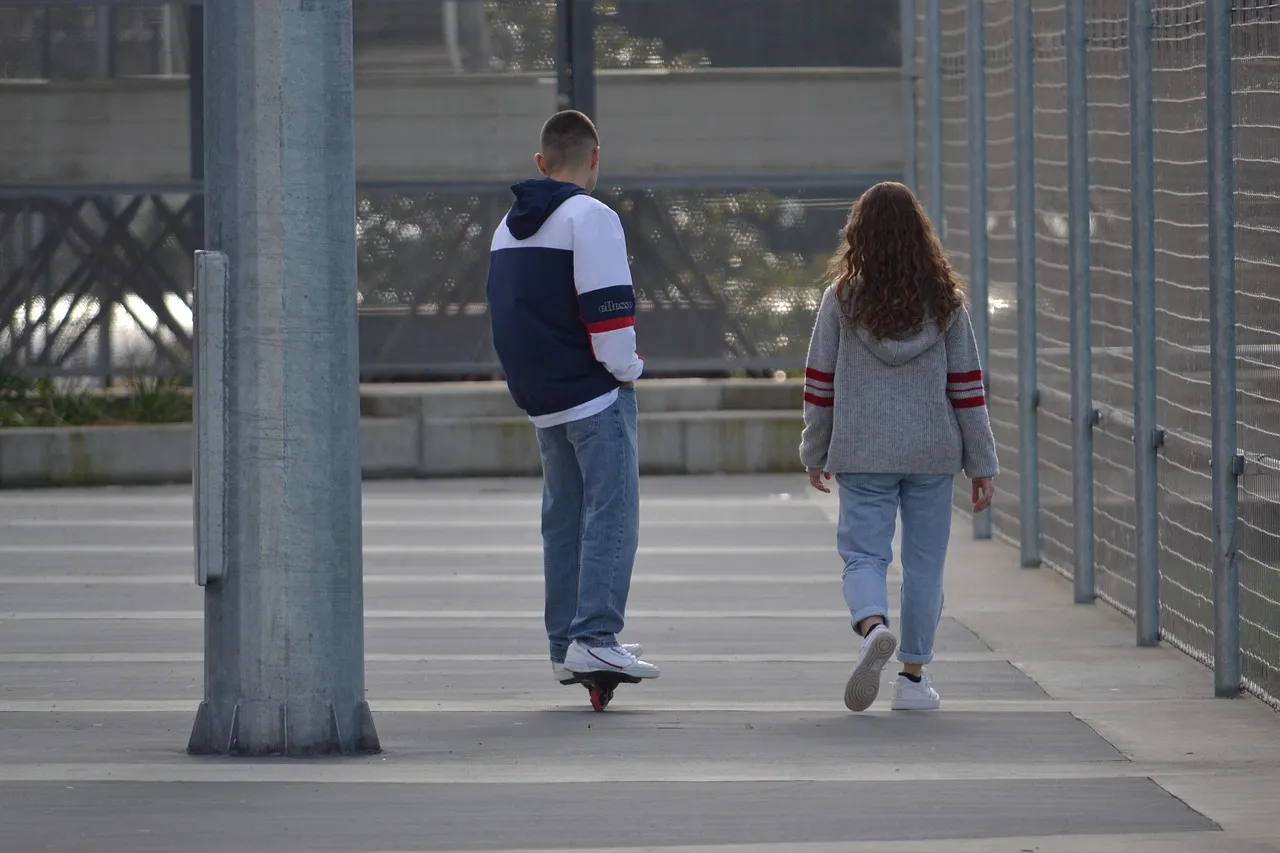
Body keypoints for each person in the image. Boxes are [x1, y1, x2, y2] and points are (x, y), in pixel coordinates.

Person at [799, 181, 998, 713]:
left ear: (858, 235)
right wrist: (982, 463)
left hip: (863, 450)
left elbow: (820, 383)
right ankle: (912, 678)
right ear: (920, 235)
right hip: (932, 452)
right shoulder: (947, 303)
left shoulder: (839, 299)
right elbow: (967, 389)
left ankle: (871, 628)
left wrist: (814, 451)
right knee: (925, 565)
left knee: (864, 554)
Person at [485, 109, 660, 685]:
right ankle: (596, 637)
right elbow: (608, 309)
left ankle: (566, 643)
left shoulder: (507, 228)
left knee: (563, 521)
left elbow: (505, 315)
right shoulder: (592, 217)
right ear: (595, 158)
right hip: (594, 394)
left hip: (542, 398)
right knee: (612, 516)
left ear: (541, 162)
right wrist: (628, 369)